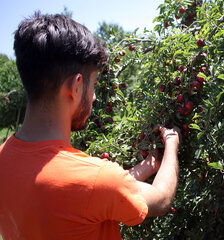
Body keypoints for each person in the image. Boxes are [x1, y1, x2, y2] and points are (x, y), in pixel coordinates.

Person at [0, 12, 181, 240]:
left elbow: (88, 193)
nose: (94, 97)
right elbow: (161, 198)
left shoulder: (4, 158)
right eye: (93, 84)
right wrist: (172, 144)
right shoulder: (97, 179)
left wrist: (147, 167)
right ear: (76, 87)